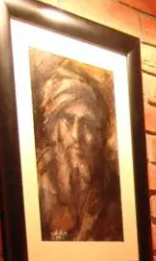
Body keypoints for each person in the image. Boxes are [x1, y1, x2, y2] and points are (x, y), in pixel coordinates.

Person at [32, 57, 124, 242]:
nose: (76, 135)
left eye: (87, 124)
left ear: (98, 135)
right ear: (52, 127)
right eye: (67, 119)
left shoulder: (111, 195)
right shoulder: (36, 189)